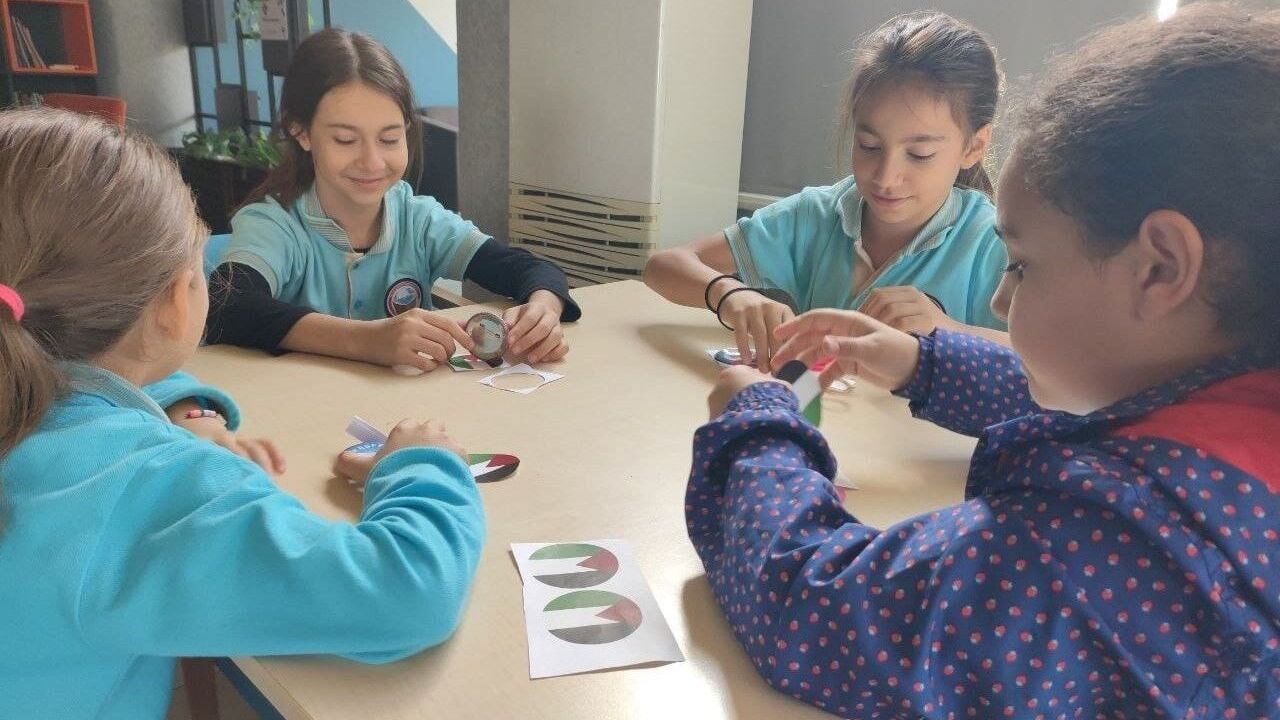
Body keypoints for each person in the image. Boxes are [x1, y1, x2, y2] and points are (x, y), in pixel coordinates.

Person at [687, 4, 1280, 716]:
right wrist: (921, 363)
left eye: (1022, 267)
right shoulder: (1240, 411)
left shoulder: (1115, 542)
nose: (1001, 299)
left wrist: (755, 424)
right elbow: (1114, 410)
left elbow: (814, 610)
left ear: (1160, 268)